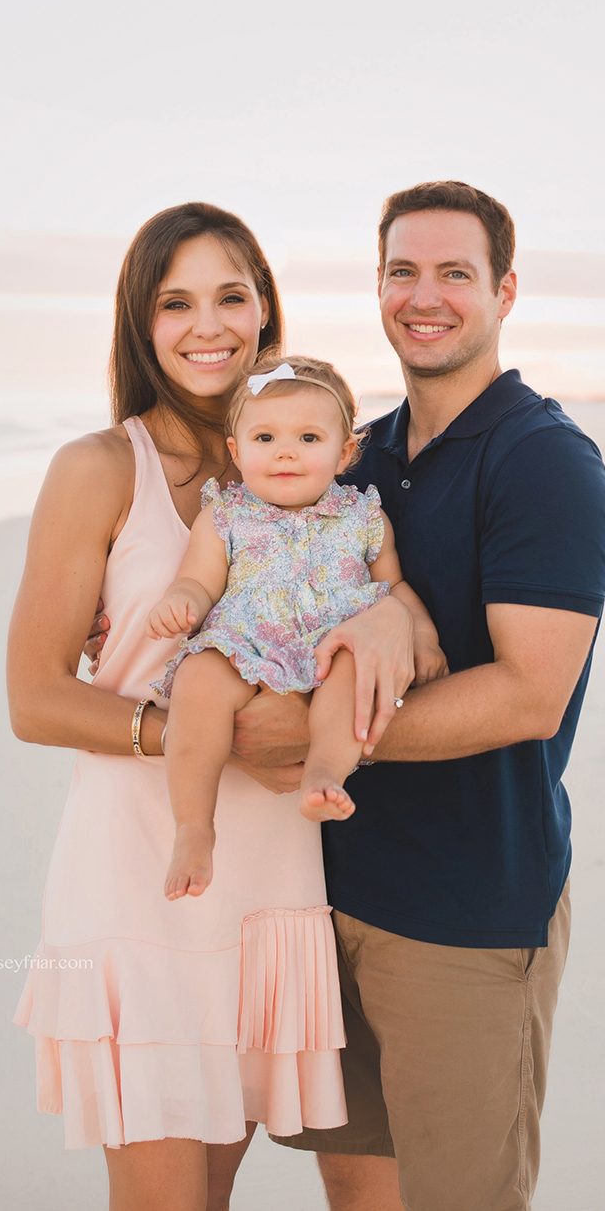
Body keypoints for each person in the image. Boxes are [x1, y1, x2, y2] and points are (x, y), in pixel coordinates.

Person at [5, 203, 422, 1211]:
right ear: (139, 325)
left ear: (265, 311)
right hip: (144, 876)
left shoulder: (311, 470)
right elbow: (33, 697)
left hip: (273, 879)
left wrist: (392, 630)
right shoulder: (102, 469)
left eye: (231, 295)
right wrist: (213, 737)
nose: (208, 324)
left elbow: (388, 598)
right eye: (174, 301)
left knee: (214, 1189)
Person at [253, 182, 605, 1211]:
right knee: (358, 1192)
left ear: (503, 291)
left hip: (466, 916)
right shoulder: (358, 458)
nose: (426, 296)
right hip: (333, 895)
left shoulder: (541, 461)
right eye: (402, 271)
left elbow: (527, 696)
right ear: (376, 286)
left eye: (455, 273)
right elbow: (269, 590)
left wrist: (316, 739)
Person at [145, 354, 445, 900]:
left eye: (308, 438)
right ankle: (193, 826)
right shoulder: (225, 514)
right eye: (264, 438)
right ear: (236, 450)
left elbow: (396, 589)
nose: (285, 452)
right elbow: (200, 579)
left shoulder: (362, 516)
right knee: (198, 683)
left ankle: (324, 773)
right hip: (249, 645)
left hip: (335, 642)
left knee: (352, 674)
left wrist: (422, 635)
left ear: (345, 451)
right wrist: (182, 600)